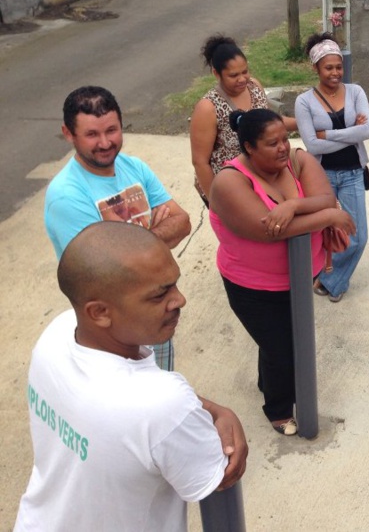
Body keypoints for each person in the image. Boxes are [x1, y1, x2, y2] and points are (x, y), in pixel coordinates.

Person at [15, 222, 247, 532]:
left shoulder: (58, 333)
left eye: (175, 284)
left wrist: (211, 409)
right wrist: (212, 420)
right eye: (159, 295)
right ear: (99, 313)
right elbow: (217, 478)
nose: (179, 300)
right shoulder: (163, 403)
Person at [209, 108, 355, 436]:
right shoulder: (230, 181)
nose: (282, 147)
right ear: (249, 148)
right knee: (282, 348)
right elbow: (268, 230)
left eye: (284, 139)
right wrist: (329, 217)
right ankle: (277, 409)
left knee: (280, 342)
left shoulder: (297, 160)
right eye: (271, 143)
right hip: (252, 287)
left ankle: (267, 381)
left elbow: (325, 196)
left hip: (298, 278)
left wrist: (292, 206)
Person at [44, 86, 191, 371]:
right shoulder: (67, 195)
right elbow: (106, 271)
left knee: (161, 389)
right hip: (114, 333)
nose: (104, 142)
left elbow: (183, 222)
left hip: (155, 313)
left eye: (111, 130)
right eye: (91, 134)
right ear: (68, 134)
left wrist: (132, 245)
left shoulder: (133, 167)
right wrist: (153, 234)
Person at [295, 33, 369, 302]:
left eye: (338, 67)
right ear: (316, 68)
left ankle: (331, 280)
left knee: (358, 236)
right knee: (319, 231)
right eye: (328, 67)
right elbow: (312, 147)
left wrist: (328, 135)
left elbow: (368, 131)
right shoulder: (304, 101)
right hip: (320, 176)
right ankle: (315, 271)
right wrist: (352, 131)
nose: (335, 73)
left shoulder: (356, 92)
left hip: (352, 174)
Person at [190, 34, 297, 205]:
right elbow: (200, 162)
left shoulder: (254, 86)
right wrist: (217, 204)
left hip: (263, 178)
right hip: (230, 188)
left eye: (245, 72)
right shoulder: (208, 108)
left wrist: (302, 122)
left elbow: (269, 125)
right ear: (216, 73)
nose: (242, 79)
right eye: (233, 75)